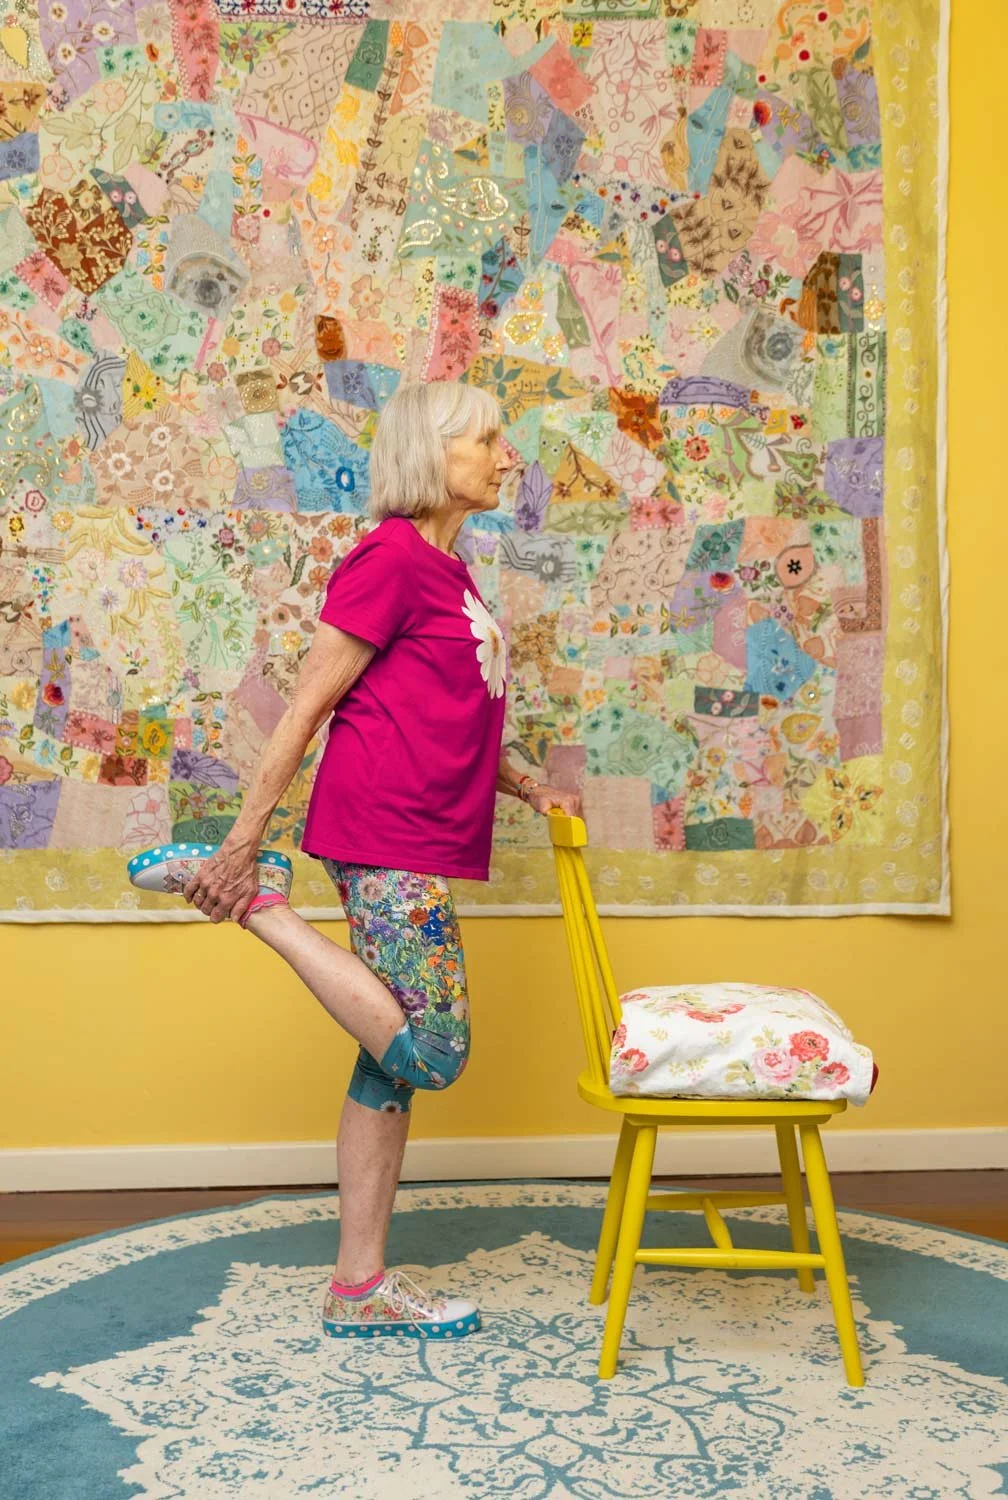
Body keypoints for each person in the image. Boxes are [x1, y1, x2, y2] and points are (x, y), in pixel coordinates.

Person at [127, 379, 582, 1342]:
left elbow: (450, 712)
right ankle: (262, 907)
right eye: (490, 440)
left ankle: (358, 1285)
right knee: (437, 1050)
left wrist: (532, 786)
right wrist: (243, 845)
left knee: (390, 1067)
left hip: (414, 832)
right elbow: (306, 707)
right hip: (383, 832)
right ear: (434, 452)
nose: (510, 455)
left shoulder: (451, 574)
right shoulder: (389, 559)